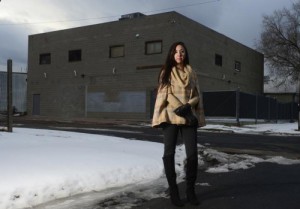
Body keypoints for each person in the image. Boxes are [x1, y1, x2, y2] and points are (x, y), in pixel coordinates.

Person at [152, 41, 206, 207]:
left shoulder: (191, 72)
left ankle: (190, 190)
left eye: (182, 51)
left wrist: (189, 107)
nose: (179, 54)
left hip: (189, 116)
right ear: (171, 54)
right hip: (170, 117)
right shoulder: (166, 71)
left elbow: (197, 94)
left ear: (185, 54)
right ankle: (174, 192)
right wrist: (181, 108)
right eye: (176, 51)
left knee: (192, 155)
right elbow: (166, 94)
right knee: (169, 153)